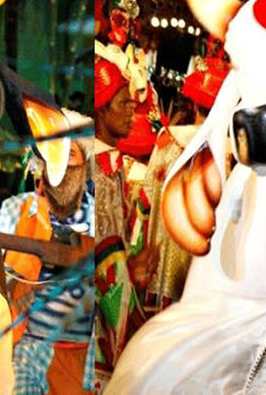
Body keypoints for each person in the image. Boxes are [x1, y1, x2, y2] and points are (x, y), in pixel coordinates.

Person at [0, 109, 95, 395]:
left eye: (71, 155)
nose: (61, 165)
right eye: (55, 155)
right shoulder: (15, 211)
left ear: (86, 166)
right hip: (25, 349)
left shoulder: (99, 217)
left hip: (82, 357)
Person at [93, 54, 158, 390]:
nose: (133, 110)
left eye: (133, 103)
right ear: (100, 111)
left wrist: (133, 267)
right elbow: (103, 257)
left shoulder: (113, 166)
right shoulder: (96, 170)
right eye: (123, 104)